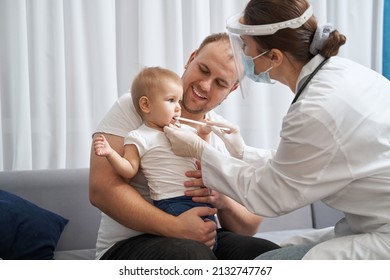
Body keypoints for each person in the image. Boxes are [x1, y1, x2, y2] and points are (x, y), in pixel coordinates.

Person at [164, 0, 390, 260]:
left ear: (274, 57)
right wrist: (243, 152)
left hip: (383, 235)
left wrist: (201, 152)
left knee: (266, 264)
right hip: (375, 221)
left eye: (246, 47)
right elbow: (299, 164)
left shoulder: (316, 108)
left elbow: (272, 196)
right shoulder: (343, 75)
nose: (243, 56)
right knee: (281, 250)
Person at [89, 32, 281, 260]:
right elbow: (101, 189)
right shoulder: (138, 106)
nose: (205, 85)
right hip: (129, 244)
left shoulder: (223, 133)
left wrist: (221, 198)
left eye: (220, 83)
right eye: (203, 69)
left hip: (203, 236)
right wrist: (176, 227)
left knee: (268, 254)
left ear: (231, 90)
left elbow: (249, 226)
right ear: (191, 59)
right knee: (192, 254)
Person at [93, 66, 217, 250]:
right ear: (146, 105)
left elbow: (200, 149)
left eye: (179, 101)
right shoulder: (139, 136)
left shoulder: (182, 130)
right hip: (171, 201)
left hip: (198, 200)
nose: (178, 107)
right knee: (195, 248)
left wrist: (205, 133)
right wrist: (110, 153)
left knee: (210, 243)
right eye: (171, 100)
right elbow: (129, 168)